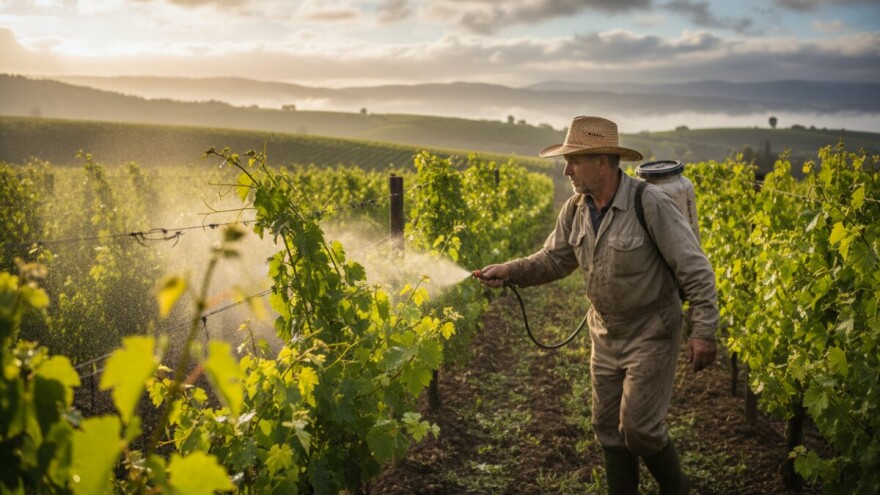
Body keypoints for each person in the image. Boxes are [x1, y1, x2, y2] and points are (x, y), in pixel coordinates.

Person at [478, 116, 718, 495]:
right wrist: (511, 271)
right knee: (608, 429)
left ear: (603, 161)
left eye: (574, 160)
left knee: (638, 428)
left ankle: (679, 489)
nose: (566, 169)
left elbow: (695, 268)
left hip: (652, 332)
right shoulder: (576, 209)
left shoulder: (649, 203)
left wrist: (703, 331)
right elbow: (554, 260)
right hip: (605, 333)